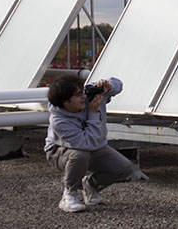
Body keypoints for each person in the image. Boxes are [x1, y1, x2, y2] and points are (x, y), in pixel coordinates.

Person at [44, 75, 134, 213]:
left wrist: (108, 86)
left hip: (92, 147)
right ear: (65, 102)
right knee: (80, 155)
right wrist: (93, 112)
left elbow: (118, 84)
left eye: (82, 92)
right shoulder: (59, 121)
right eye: (77, 95)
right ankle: (69, 194)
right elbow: (87, 143)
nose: (83, 97)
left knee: (124, 168)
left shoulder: (88, 95)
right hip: (59, 151)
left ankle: (90, 186)